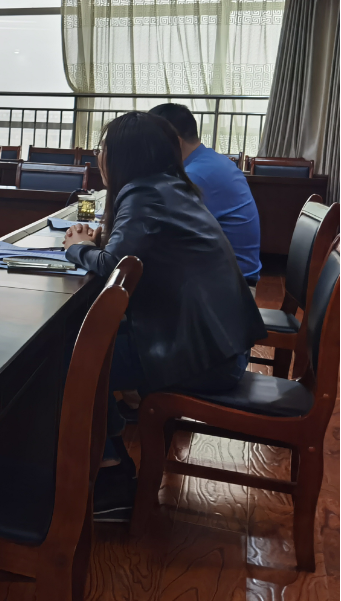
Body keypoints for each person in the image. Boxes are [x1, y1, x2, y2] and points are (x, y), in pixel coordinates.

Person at [62, 111, 266, 522]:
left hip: (205, 358)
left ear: (123, 156)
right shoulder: (170, 187)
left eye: (102, 149)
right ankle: (108, 445)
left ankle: (111, 476)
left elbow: (117, 266)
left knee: (64, 358)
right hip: (214, 345)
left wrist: (76, 249)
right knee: (79, 341)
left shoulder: (146, 196)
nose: (99, 157)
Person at [149, 102, 261, 285]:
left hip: (230, 289)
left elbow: (158, 235)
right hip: (231, 277)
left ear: (175, 142)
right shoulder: (210, 161)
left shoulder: (195, 176)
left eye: (152, 144)